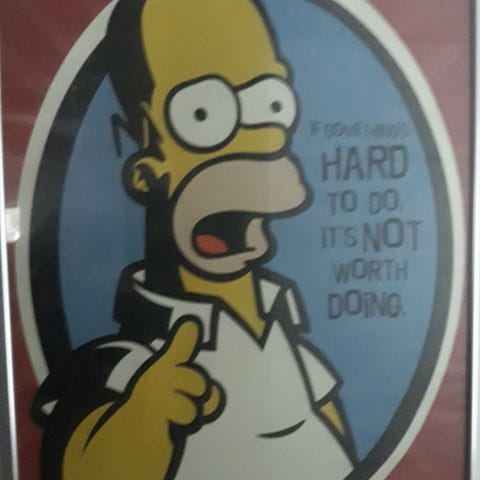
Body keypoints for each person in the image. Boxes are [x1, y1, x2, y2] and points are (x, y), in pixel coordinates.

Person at [33, 0, 355, 478]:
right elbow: (75, 463)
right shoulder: (131, 363)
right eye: (203, 113)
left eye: (269, 103)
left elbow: (336, 437)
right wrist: (140, 421)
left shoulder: (284, 326)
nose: (254, 142)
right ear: (146, 160)